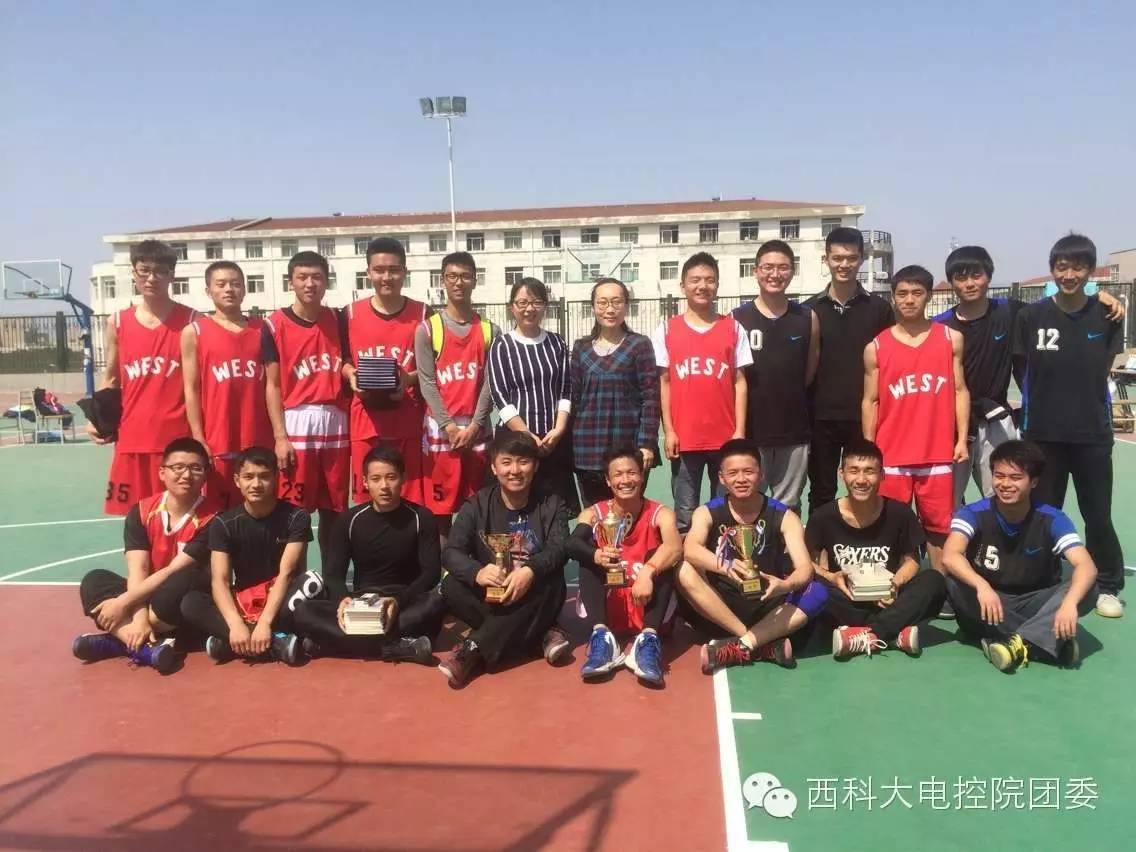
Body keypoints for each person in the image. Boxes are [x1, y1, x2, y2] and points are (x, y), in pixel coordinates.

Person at [934, 246, 1123, 505]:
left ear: (989, 276)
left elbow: (1060, 302)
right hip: (951, 424)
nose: (969, 283)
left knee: (1005, 500)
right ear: (951, 281)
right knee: (947, 504)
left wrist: (1097, 294)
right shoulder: (940, 325)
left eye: (976, 275)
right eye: (961, 277)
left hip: (996, 423)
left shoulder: (1012, 312)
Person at [1013, 234, 1125, 619]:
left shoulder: (1107, 316)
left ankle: (1107, 584)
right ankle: (1043, 578)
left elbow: (1103, 367)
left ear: (1090, 271)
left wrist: (1104, 297)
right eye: (1062, 267)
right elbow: (1022, 369)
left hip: (1092, 435)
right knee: (1044, 512)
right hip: (1042, 435)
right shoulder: (1031, 317)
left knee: (1098, 514)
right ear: (1052, 269)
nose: (1069, 275)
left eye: (1078, 268)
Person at [942, 440, 1099, 671]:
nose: (1005, 484)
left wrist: (1069, 604)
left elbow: (1086, 565)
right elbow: (950, 555)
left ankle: (1013, 641)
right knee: (953, 582)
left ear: (1034, 481)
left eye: (1015, 478)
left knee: (1088, 588)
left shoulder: (1052, 518)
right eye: (999, 476)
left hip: (1034, 600)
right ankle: (1045, 640)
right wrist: (982, 586)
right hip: (988, 600)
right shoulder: (973, 512)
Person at [676, 439, 828, 673]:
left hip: (767, 602)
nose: (741, 479)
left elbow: (805, 568)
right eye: (733, 473)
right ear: (721, 478)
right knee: (684, 570)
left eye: (748, 472)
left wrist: (784, 585)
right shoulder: (707, 512)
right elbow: (691, 549)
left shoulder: (784, 516)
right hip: (720, 606)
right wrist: (726, 566)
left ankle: (741, 646)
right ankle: (758, 643)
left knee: (817, 591)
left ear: (761, 475)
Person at [73, 438, 222, 673]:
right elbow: (138, 570)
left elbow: (173, 570)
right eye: (178, 467)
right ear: (162, 472)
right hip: (146, 596)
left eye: (196, 468)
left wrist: (122, 604)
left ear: (205, 476)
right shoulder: (142, 511)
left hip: (180, 602)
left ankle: (121, 641)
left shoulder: (213, 519)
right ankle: (145, 647)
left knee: (184, 578)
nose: (186, 475)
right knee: (94, 580)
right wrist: (139, 618)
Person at [438, 431, 571, 688]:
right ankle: (537, 635)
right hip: (493, 596)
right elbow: (451, 552)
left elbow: (560, 548)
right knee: (451, 586)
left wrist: (530, 571)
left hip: (532, 592)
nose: (515, 470)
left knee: (552, 582)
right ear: (494, 467)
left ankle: (472, 649)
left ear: (535, 466)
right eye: (506, 462)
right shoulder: (476, 505)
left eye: (523, 462)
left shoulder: (552, 503)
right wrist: (477, 572)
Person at [291, 445, 444, 664]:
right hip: (361, 604)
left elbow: (431, 573)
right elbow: (333, 573)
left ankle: (336, 644)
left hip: (404, 603)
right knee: (303, 610)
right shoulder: (349, 520)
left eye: (391, 477)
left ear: (403, 479)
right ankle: (397, 647)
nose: (384, 486)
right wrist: (342, 600)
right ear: (365, 482)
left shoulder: (422, 517)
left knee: (437, 602)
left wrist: (398, 601)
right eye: (376, 479)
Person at [862, 264, 968, 571]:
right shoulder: (876, 346)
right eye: (903, 293)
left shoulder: (951, 338)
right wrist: (869, 447)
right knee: (889, 527)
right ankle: (891, 585)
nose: (909, 300)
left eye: (917, 293)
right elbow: (870, 400)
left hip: (937, 454)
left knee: (939, 529)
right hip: (892, 454)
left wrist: (961, 439)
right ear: (893, 298)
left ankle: (939, 586)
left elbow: (960, 390)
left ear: (929, 296)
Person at [806, 439, 946, 659]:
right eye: (854, 471)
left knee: (934, 580)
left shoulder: (900, 513)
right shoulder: (823, 516)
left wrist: (895, 583)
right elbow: (808, 564)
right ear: (842, 474)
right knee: (810, 585)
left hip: (889, 600)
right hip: (846, 599)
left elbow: (912, 561)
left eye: (870, 471)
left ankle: (868, 635)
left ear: (882, 475)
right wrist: (831, 577)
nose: (861, 480)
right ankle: (893, 634)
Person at [179, 447, 317, 665]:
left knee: (313, 585)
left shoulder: (297, 517)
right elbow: (221, 581)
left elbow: (287, 573)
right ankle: (274, 643)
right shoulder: (223, 523)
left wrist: (265, 623)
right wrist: (235, 624)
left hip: (283, 598)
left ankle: (233, 643)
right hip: (245, 601)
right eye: (248, 477)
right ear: (237, 480)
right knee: (191, 602)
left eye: (264, 476)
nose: (256, 484)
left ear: (276, 478)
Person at [94, 240, 196, 515]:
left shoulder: (192, 322)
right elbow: (111, 378)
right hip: (132, 439)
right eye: (145, 270)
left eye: (160, 271)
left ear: (172, 275)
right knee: (135, 521)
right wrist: (98, 419)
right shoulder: (117, 322)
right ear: (134, 273)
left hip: (177, 441)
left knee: (180, 518)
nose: (152, 278)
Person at [565, 446, 681, 686]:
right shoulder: (595, 513)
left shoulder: (660, 513)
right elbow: (572, 544)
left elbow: (675, 548)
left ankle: (648, 641)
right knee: (587, 556)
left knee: (662, 556)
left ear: (642, 476)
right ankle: (602, 637)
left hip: (647, 604)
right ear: (608, 481)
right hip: (610, 606)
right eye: (618, 474)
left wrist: (648, 571)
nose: (625, 480)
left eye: (632, 473)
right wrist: (597, 554)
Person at [653, 253, 752, 533]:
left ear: (717, 285)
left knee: (725, 510)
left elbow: (740, 382)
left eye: (709, 280)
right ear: (683, 285)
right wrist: (669, 430)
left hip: (725, 437)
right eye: (695, 280)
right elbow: (664, 383)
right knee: (685, 513)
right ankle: (687, 560)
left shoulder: (733, 327)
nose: (702, 286)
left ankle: (723, 559)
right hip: (686, 438)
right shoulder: (666, 329)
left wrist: (739, 430)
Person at [263, 251, 349, 561]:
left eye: (317, 277)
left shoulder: (339, 319)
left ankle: (332, 577)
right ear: (291, 282)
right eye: (302, 277)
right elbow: (272, 385)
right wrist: (280, 437)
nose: (310, 283)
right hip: (297, 421)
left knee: (335, 509)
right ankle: (293, 578)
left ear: (326, 282)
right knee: (294, 510)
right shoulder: (274, 324)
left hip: (336, 421)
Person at [804, 228, 894, 513]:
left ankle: (867, 536)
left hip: (864, 418)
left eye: (851, 258)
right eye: (837, 258)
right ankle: (820, 541)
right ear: (826, 259)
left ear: (862, 259)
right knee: (822, 490)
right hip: (821, 419)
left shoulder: (880, 310)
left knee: (866, 486)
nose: (844, 264)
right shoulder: (809, 310)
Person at [415, 251, 499, 534]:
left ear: (475, 280)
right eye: (452, 276)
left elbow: (490, 382)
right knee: (441, 513)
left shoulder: (489, 330)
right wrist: (448, 426)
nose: (458, 282)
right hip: (442, 432)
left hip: (478, 430)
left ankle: (476, 561)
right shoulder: (429, 329)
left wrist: (475, 425)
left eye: (465, 276)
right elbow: (427, 382)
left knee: (479, 508)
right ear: (443, 281)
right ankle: (446, 563)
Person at [342, 237, 430, 507]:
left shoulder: (423, 314)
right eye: (379, 270)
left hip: (407, 421)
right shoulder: (349, 314)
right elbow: (342, 359)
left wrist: (408, 379)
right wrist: (351, 375)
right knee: (366, 502)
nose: (386, 277)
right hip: (365, 422)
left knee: (410, 501)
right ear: (368, 272)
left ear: (404, 271)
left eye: (393, 270)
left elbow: (435, 367)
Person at [732, 240, 819, 511]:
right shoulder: (737, 319)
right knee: (746, 503)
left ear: (792, 272)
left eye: (783, 267)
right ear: (756, 271)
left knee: (788, 507)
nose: (775, 274)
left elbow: (809, 372)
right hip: (750, 431)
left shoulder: (807, 317)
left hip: (794, 431)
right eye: (768, 267)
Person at [181, 261, 273, 508]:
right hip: (218, 436)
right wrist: (199, 437)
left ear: (244, 289)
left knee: (259, 507)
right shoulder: (194, 332)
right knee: (217, 511)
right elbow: (191, 389)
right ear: (208, 290)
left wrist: (279, 434)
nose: (229, 289)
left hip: (258, 435)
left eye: (235, 284)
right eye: (221, 284)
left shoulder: (263, 328)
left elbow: (274, 385)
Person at [487, 277, 577, 510]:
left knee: (555, 508)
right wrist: (527, 435)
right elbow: (500, 395)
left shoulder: (557, 343)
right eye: (522, 303)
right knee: (517, 505)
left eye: (536, 302)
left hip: (552, 441)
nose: (529, 309)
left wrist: (558, 430)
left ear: (545, 306)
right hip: (515, 441)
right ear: (512, 307)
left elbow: (565, 389)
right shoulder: (502, 345)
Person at [570, 278, 660, 505]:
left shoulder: (639, 345)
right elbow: (574, 399)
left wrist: (646, 444)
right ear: (593, 307)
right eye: (602, 303)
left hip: (628, 448)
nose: (609, 309)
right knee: (595, 515)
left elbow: (650, 398)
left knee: (629, 513)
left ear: (626, 306)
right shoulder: (581, 348)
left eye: (616, 302)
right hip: (588, 450)